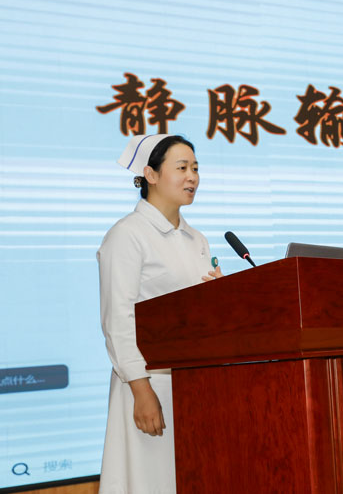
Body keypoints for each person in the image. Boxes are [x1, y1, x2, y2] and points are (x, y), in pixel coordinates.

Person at [97, 134, 222, 494]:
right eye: (181, 168)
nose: (192, 177)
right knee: (151, 482)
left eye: (195, 168)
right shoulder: (127, 235)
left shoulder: (197, 239)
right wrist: (141, 388)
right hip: (149, 384)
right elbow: (117, 318)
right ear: (150, 175)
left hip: (194, 386)